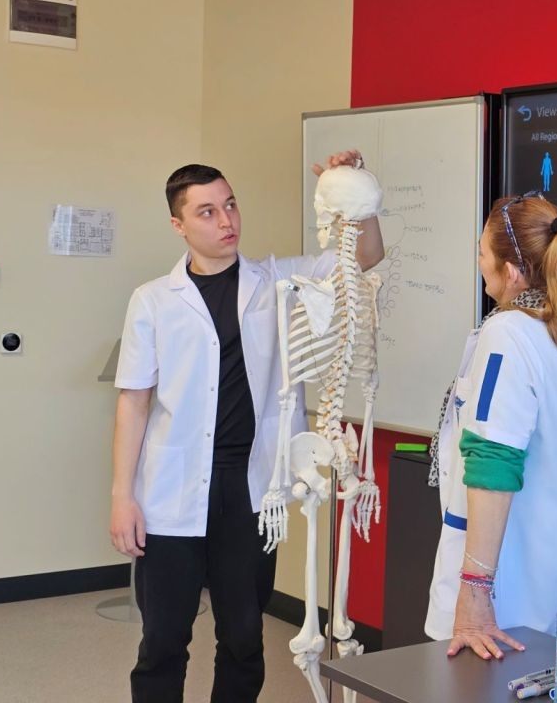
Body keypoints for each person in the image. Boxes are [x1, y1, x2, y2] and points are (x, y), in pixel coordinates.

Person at [109, 151, 383, 703]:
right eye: (207, 212)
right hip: (170, 488)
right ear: (178, 224)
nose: (226, 220)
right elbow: (134, 402)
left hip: (252, 488)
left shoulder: (279, 280)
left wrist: (354, 188)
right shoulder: (153, 301)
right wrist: (122, 495)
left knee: (242, 636)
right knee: (163, 638)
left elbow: (365, 258)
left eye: (230, 205)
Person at [424, 193, 557, 661]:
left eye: (482, 252)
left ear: (512, 272)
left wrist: (474, 593)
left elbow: (493, 462)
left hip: (513, 591)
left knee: (484, 687)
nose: (479, 262)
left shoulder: (508, 334)